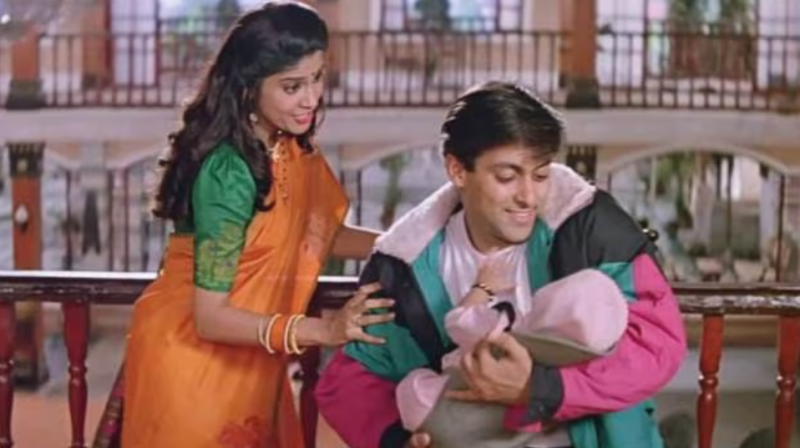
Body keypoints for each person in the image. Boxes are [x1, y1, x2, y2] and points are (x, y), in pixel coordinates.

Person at [315, 81, 687, 448]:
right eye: (507, 177)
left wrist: (539, 389)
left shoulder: (590, 225)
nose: (528, 196)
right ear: (457, 170)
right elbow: (354, 377)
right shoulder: (403, 263)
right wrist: (398, 442)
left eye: (540, 175)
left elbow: (655, 343)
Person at [118, 3, 393, 447]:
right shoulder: (229, 171)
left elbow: (318, 236)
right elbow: (210, 318)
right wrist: (324, 330)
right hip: (193, 366)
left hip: (253, 361)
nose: (311, 98)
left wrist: (406, 243)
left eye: (317, 78)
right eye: (292, 86)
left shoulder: (288, 148)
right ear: (248, 88)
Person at [395, 267, 630, 448]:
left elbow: (457, 321)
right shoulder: (572, 378)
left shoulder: (501, 329)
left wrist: (483, 288)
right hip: (495, 439)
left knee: (414, 383)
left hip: (437, 414)